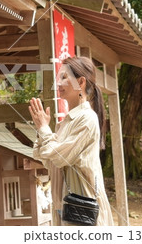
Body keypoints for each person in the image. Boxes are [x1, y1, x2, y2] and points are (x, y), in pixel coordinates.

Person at [29, 56, 114, 226]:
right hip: (64, 208)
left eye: (64, 77)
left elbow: (59, 157)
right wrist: (41, 129)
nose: (58, 83)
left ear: (80, 82)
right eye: (58, 77)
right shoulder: (66, 122)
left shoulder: (87, 119)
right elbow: (47, 159)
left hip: (83, 212)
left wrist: (45, 129)